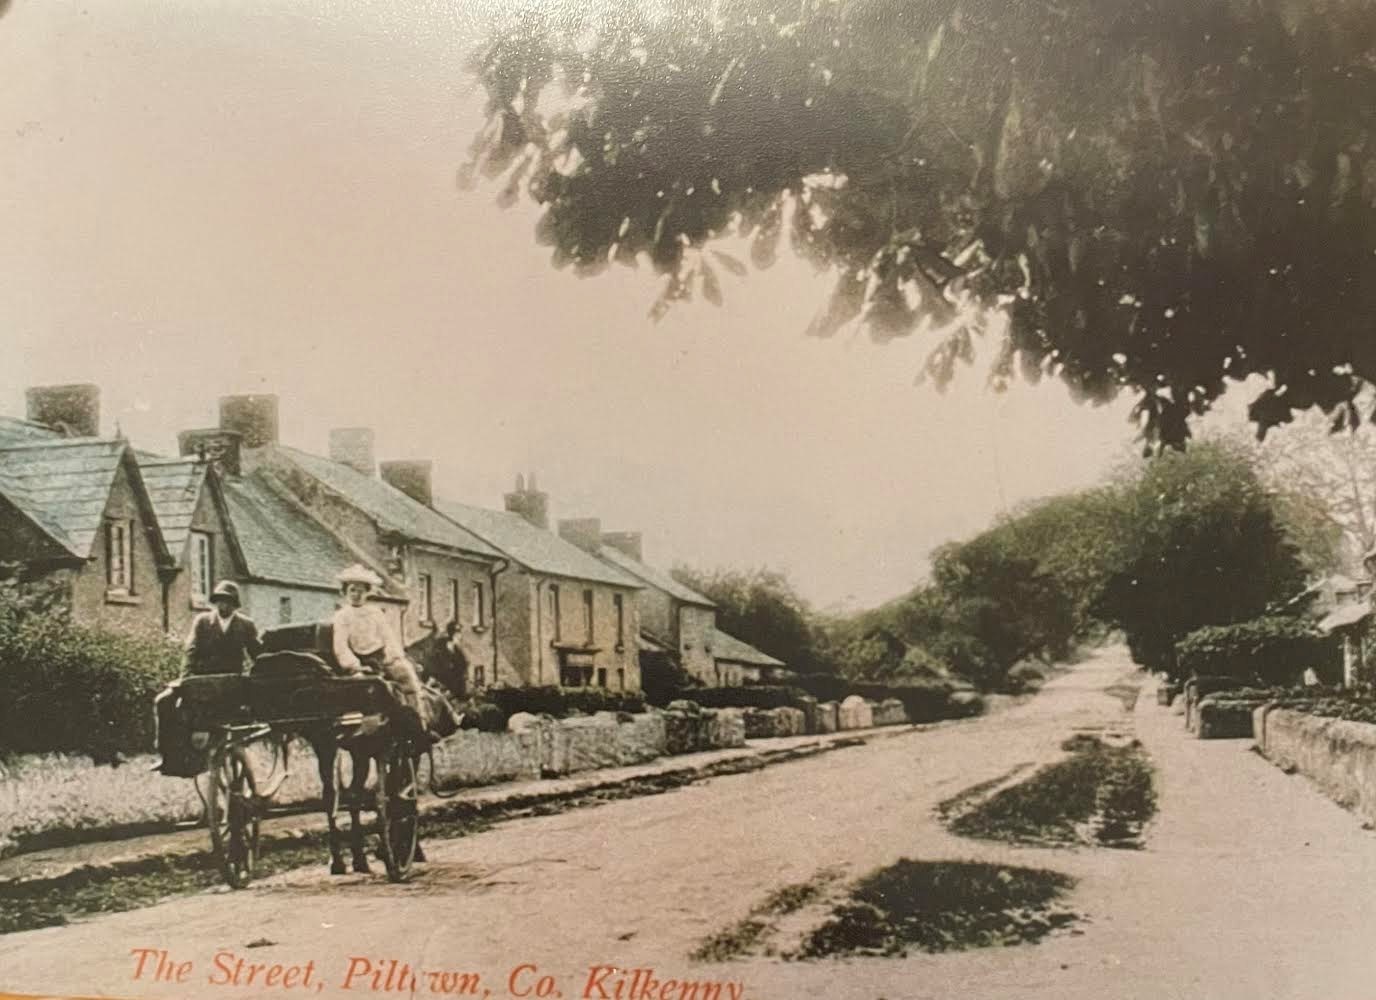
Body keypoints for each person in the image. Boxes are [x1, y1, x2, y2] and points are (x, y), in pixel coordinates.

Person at [151, 581, 262, 774]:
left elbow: (257, 656)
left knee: (219, 720)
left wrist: (258, 678)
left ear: (235, 604)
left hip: (230, 687)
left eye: (228, 602)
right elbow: (190, 652)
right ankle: (167, 757)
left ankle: (206, 755)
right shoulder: (202, 622)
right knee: (163, 701)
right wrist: (186, 681)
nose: (223, 606)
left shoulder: (245, 625)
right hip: (201, 684)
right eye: (219, 601)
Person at [331, 564, 432, 733]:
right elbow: (340, 646)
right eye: (352, 590)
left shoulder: (375, 613)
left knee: (406, 675)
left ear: (367, 593)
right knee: (366, 687)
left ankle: (420, 722)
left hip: (380, 658)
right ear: (345, 592)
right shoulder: (342, 617)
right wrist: (354, 666)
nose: (356, 595)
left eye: (361, 591)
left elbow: (388, 638)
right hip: (358, 661)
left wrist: (394, 657)